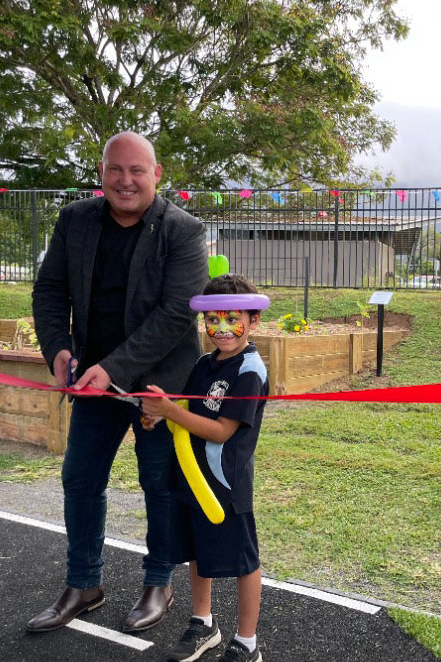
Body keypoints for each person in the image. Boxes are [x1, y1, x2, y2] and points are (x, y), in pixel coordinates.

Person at [27, 131, 208, 634]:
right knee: (80, 480)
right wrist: (58, 349)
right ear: (101, 173)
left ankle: (158, 582)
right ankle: (84, 584)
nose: (126, 181)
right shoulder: (75, 220)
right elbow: (50, 289)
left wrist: (116, 369)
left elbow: (177, 314)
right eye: (116, 169)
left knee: (159, 486)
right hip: (91, 381)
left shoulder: (184, 231)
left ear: (157, 174)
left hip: (159, 389)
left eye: (137, 171)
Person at [141, 274, 268, 662]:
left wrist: (172, 411)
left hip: (226, 486)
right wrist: (162, 416)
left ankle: (247, 643)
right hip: (192, 480)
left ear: (254, 320)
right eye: (212, 319)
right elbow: (191, 413)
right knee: (198, 551)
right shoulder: (204, 363)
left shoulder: (249, 371)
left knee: (244, 562)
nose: (222, 328)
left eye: (232, 318)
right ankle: (203, 623)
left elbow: (221, 430)